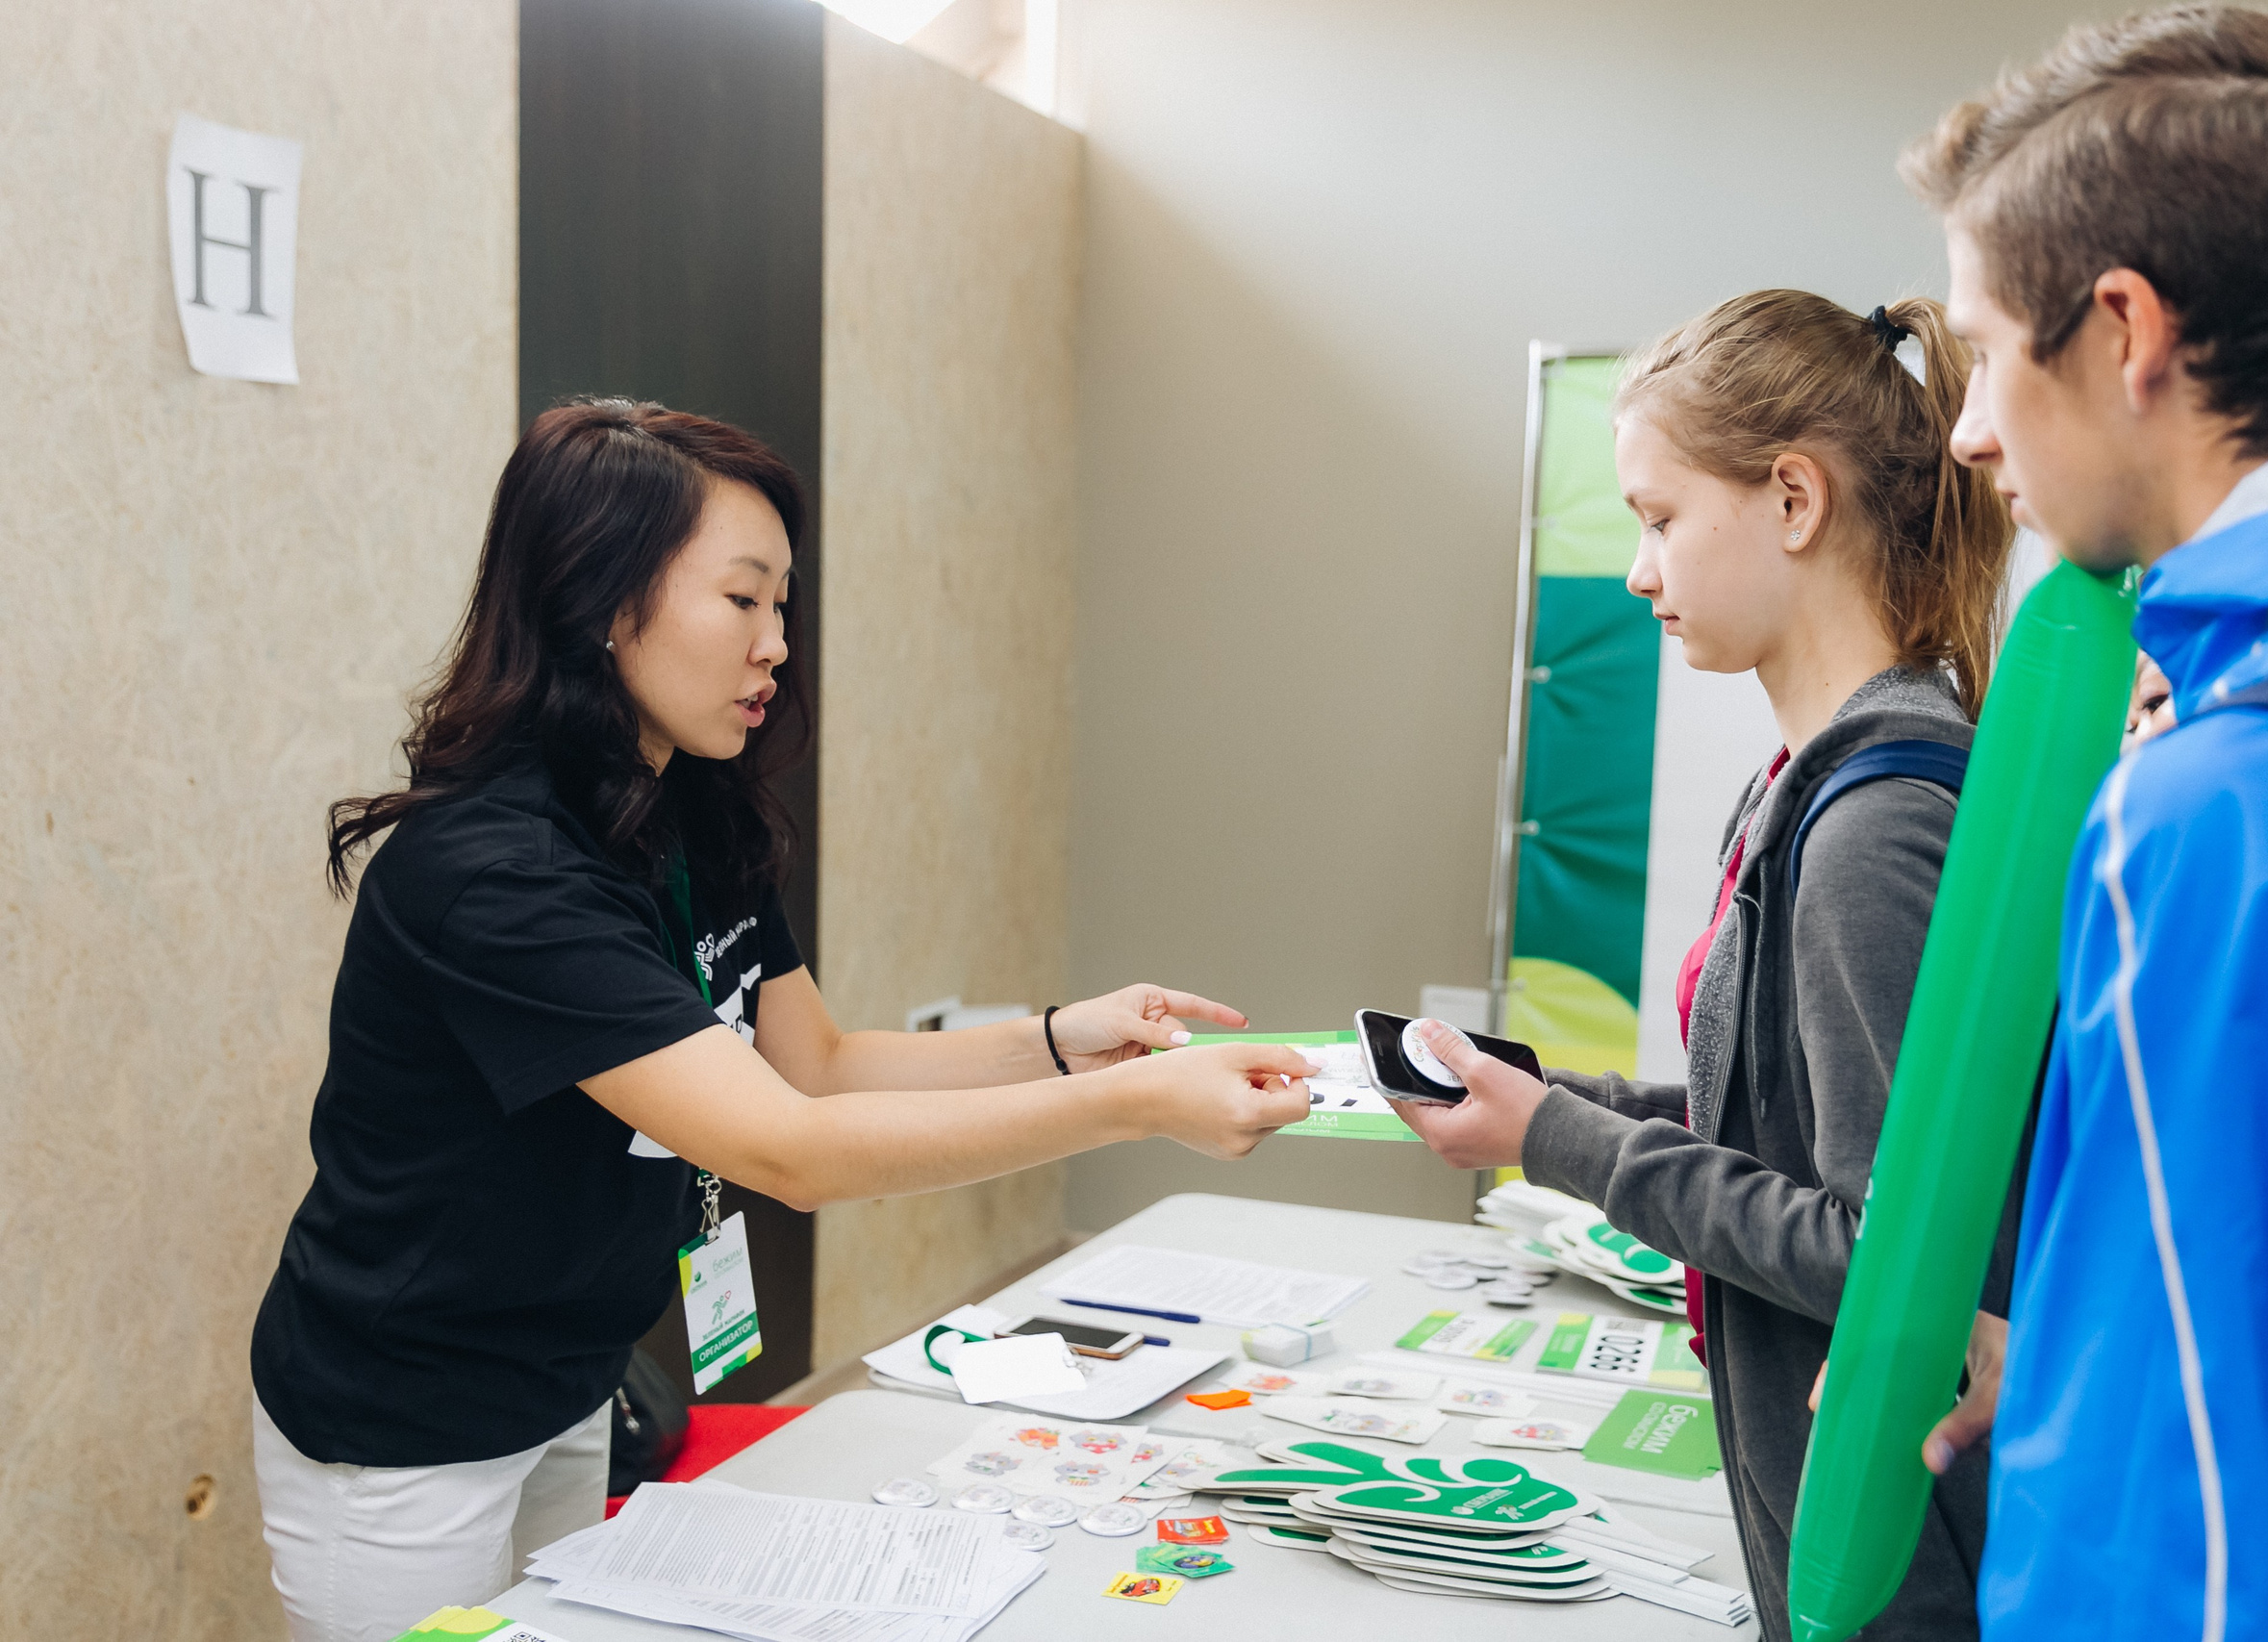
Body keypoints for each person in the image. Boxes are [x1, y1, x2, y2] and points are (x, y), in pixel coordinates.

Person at [249, 399, 1313, 1642]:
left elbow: (815, 1067)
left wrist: (1067, 1038)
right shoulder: (497, 873)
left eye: (783, 604)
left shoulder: (690, 806)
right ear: (602, 602)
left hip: (565, 1374)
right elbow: (785, 1150)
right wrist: (1131, 1107)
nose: (777, 646)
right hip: (400, 1422)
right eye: (743, 600)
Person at [1901, 7, 2268, 1638]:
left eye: (1992, 350)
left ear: (2126, 328)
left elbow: (2190, 1546)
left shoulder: (2220, 820)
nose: (1971, 430)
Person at [1394, 289, 2015, 1637]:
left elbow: (1880, 1257)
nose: (1638, 570)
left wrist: (1564, 1144)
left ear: (1794, 499)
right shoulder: (1800, 786)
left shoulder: (1875, 824)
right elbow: (1772, 1127)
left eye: (1660, 520)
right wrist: (1549, 1102)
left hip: (1901, 1561)